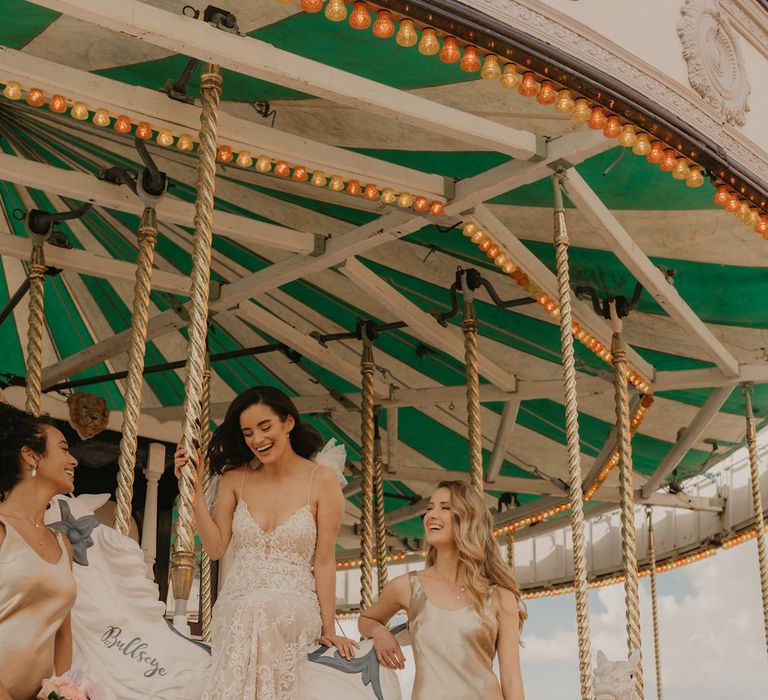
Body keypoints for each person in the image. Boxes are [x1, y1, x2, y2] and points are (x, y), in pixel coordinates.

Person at [174, 386, 358, 700]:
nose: (257, 439)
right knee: (252, 609)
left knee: (261, 609)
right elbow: (216, 547)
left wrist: (329, 628)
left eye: (265, 427)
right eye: (248, 433)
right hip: (238, 601)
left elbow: (325, 561)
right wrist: (192, 489)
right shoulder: (236, 478)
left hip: (294, 604)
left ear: (288, 423)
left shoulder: (322, 480)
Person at [358, 480, 526, 700]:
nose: (431, 515)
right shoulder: (407, 587)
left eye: (445, 508)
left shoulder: (501, 597)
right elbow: (366, 620)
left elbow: (512, 680)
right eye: (430, 508)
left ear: (468, 519)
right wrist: (380, 632)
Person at [0, 403, 77, 700]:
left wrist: (61, 690)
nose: (74, 460)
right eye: (63, 449)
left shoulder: (62, 543)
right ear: (31, 455)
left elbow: (62, 633)